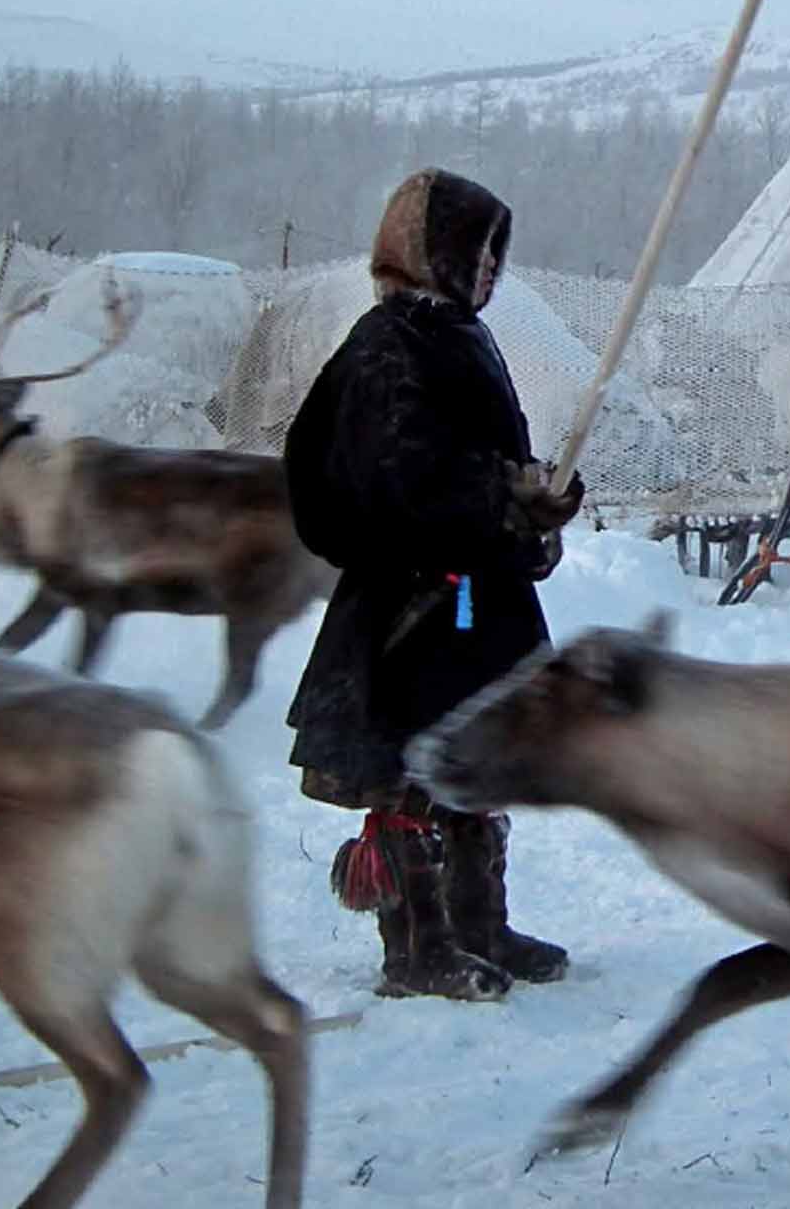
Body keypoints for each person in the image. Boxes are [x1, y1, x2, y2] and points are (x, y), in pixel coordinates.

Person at [283, 166, 584, 1001]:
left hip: (477, 600)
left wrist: (529, 515)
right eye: (476, 251)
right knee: (417, 766)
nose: (490, 270)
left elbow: (487, 466)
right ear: (432, 251)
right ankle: (416, 947)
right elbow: (397, 474)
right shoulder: (389, 345)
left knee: (474, 757)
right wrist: (498, 496)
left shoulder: (460, 336)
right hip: (415, 600)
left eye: (496, 254)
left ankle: (480, 926)